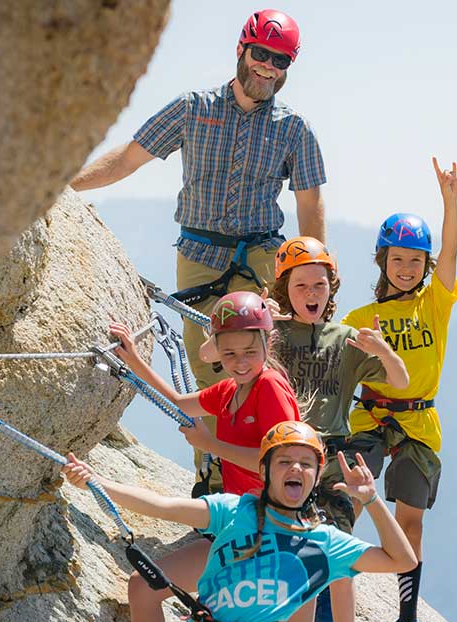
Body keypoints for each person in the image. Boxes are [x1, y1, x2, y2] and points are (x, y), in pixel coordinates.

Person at [72, 8, 327, 492]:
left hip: (260, 258)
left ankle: (272, 486)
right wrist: (62, 187)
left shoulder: (294, 129)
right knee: (207, 370)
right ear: (241, 50)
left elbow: (311, 206)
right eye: (261, 55)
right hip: (199, 254)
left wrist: (309, 276)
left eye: (280, 60)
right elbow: (128, 158)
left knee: (258, 368)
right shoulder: (192, 108)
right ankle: (211, 482)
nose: (268, 67)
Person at [64, 421, 417, 622]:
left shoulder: (324, 542)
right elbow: (165, 507)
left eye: (306, 464)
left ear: (316, 475)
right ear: (264, 470)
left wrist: (370, 500)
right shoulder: (235, 511)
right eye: (285, 461)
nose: (295, 468)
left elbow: (402, 560)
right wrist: (98, 483)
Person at [109, 291, 308, 622]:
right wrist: (133, 361)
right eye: (230, 351)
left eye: (250, 352)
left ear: (267, 346)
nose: (239, 361)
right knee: (143, 587)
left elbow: (282, 460)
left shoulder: (269, 388)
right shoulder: (235, 388)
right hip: (236, 527)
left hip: (262, 536)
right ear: (216, 349)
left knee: (147, 589)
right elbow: (181, 405)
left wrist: (211, 444)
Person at [269, 236, 410, 622]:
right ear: (285, 288)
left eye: (320, 284)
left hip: (332, 464)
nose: (312, 292)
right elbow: (214, 355)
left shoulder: (345, 341)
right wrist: (260, 320)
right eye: (301, 284)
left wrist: (383, 351)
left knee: (340, 560)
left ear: (333, 289)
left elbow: (400, 381)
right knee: (286, 555)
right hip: (286, 459)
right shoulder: (274, 336)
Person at [340, 158, 457, 622]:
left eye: (416, 260)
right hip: (369, 417)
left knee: (410, 522)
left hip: (417, 422)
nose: (407, 268)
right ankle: (329, 599)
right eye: (398, 259)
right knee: (341, 502)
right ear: (382, 261)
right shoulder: (359, 319)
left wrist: (450, 202)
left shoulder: (434, 302)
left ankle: (407, 620)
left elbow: (451, 253)